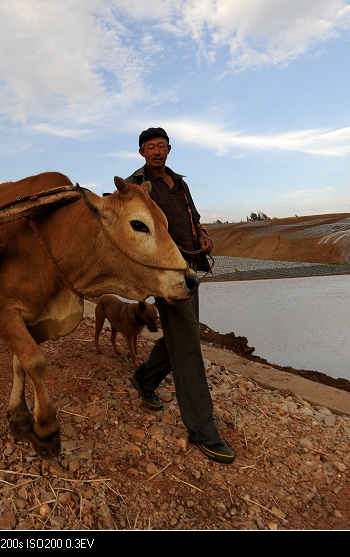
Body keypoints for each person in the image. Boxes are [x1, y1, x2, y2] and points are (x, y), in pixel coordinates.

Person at [126, 127, 235, 464]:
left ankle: (145, 379)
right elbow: (129, 225)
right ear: (142, 152)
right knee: (188, 341)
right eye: (150, 147)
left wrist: (202, 233)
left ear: (169, 149)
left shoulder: (179, 182)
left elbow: (194, 217)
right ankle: (203, 430)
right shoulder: (135, 185)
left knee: (180, 334)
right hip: (166, 272)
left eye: (161, 146)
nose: (156, 151)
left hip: (191, 265)